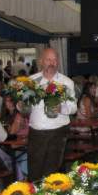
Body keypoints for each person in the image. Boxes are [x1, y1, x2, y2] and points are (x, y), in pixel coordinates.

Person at [27, 48, 76, 181]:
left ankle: (52, 193)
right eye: (48, 59)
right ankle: (35, 193)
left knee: (52, 172)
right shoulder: (31, 81)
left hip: (58, 132)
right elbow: (25, 107)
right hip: (36, 133)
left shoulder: (67, 82)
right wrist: (20, 105)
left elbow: (73, 108)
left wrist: (61, 108)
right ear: (41, 61)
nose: (52, 63)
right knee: (34, 171)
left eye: (54, 60)